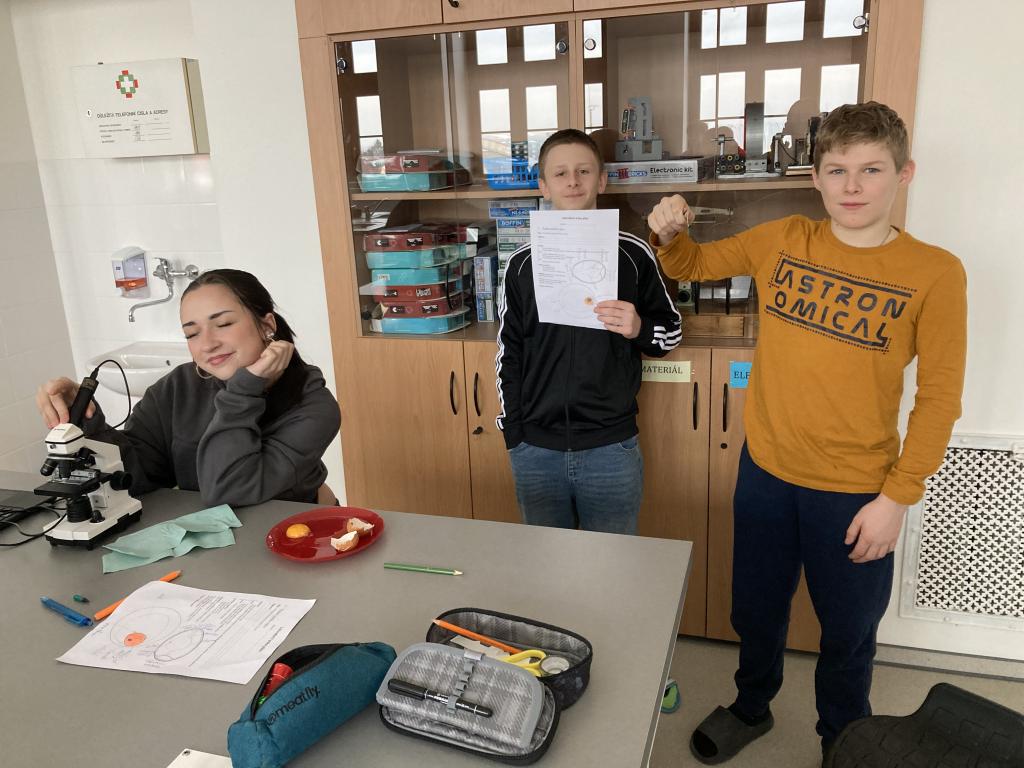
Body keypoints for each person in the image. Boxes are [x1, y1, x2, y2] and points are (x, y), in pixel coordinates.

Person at [647, 102, 967, 762]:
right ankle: (751, 706)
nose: (853, 186)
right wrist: (669, 232)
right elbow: (690, 266)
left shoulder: (936, 272)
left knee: (848, 631)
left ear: (903, 174)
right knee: (755, 611)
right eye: (837, 170)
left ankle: (841, 739)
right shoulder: (782, 238)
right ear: (815, 177)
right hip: (766, 472)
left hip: (857, 491)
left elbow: (939, 400)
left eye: (871, 169)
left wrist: (896, 499)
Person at [495, 128, 682, 534]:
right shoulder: (521, 264)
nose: (573, 181)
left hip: (610, 448)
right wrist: (515, 434)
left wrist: (639, 327)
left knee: (611, 563)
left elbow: (670, 332)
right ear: (544, 186)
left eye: (583, 171)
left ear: (602, 180)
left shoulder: (634, 253)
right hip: (536, 450)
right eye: (560, 173)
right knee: (544, 564)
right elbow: (509, 352)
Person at [36, 269, 341, 507]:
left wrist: (244, 390)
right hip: (221, 547)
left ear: (267, 325)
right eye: (192, 334)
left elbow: (231, 491)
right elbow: (138, 477)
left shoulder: (313, 406)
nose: (207, 344)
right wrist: (86, 417)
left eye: (224, 324)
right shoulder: (176, 388)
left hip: (299, 540)